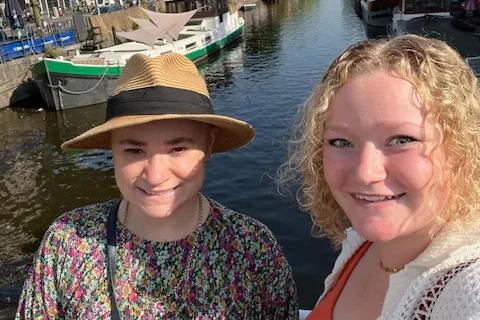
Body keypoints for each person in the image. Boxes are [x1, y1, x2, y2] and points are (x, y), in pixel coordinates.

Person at [16, 53, 298, 319]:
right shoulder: (66, 242)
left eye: (177, 149)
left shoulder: (252, 248)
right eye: (134, 151)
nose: (155, 176)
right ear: (112, 149)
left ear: (208, 145)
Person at [279, 34, 480, 319]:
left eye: (401, 140)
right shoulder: (360, 244)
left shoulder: (469, 292)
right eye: (341, 142)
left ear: (462, 147)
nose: (365, 172)